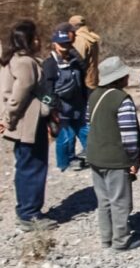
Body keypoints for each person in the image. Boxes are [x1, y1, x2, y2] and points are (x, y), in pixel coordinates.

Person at [0, 21, 57, 232]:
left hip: (22, 123)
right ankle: (30, 215)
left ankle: (24, 209)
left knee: (25, 166)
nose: (39, 40)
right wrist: (8, 119)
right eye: (36, 37)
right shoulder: (25, 63)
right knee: (33, 167)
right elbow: (18, 95)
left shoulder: (12, 59)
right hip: (28, 124)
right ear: (28, 39)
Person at [86, 56, 140, 251]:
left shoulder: (94, 95)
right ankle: (121, 241)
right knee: (120, 201)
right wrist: (134, 158)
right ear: (119, 78)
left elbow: (88, 122)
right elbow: (129, 135)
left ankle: (106, 239)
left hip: (95, 156)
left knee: (104, 200)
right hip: (116, 159)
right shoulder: (122, 100)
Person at [43, 29, 89, 172]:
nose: (64, 46)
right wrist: (54, 107)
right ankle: (64, 163)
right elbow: (47, 88)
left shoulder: (75, 60)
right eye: (61, 43)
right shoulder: (49, 64)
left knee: (87, 133)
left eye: (67, 43)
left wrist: (86, 97)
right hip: (61, 108)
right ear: (54, 44)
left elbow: (83, 77)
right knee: (66, 137)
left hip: (78, 105)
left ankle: (95, 157)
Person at [69, 15, 100, 90]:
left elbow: (79, 61)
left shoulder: (80, 39)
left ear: (74, 26)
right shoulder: (91, 37)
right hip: (92, 79)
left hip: (85, 82)